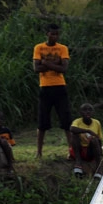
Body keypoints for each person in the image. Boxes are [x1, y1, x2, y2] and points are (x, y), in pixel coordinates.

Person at [33, 23, 72, 158]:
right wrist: (56, 65)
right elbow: (36, 68)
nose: (55, 36)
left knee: (66, 120)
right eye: (52, 34)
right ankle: (39, 152)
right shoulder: (39, 47)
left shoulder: (62, 48)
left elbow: (64, 69)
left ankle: (71, 150)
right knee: (42, 121)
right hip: (45, 87)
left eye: (57, 34)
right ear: (47, 34)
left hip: (60, 86)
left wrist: (46, 63)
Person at [68, 103, 103, 178]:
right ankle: (78, 162)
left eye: (90, 110)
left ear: (93, 112)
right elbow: (72, 129)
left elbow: (99, 139)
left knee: (94, 140)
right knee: (74, 134)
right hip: (79, 150)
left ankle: (99, 168)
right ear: (80, 112)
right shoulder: (77, 121)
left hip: (90, 151)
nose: (87, 112)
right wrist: (87, 131)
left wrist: (100, 152)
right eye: (84, 110)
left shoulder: (97, 123)